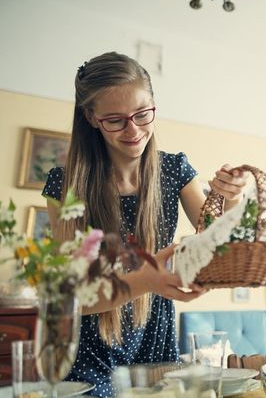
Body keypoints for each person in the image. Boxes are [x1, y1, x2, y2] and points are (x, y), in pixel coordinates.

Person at [42, 51, 247, 397]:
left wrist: (232, 199)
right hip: (87, 353)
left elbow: (216, 242)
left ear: (154, 104)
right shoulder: (65, 186)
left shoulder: (175, 170)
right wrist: (147, 279)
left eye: (142, 114)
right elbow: (73, 298)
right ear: (92, 118)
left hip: (156, 342)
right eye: (116, 120)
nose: (134, 130)